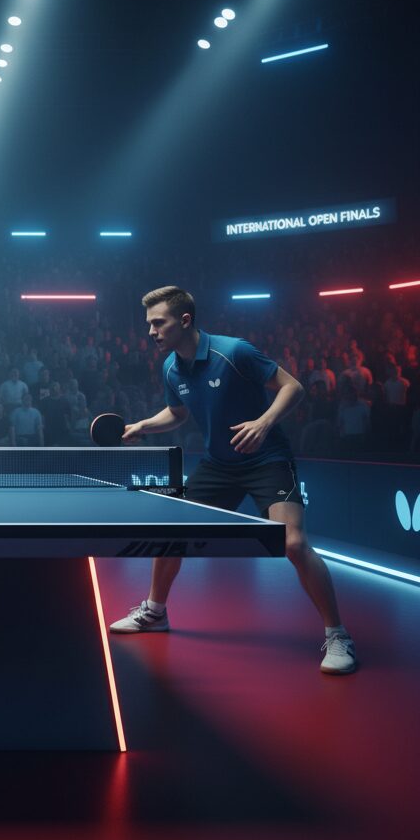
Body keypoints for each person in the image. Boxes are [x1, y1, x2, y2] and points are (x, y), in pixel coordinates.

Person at [109, 286, 356, 675]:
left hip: (266, 459)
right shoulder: (171, 367)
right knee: (170, 530)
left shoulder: (234, 351)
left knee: (291, 542)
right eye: (149, 324)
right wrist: (142, 425)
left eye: (159, 323)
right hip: (219, 464)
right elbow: (177, 414)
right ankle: (155, 613)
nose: (152, 331)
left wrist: (264, 422)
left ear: (185, 320)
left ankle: (338, 635)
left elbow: (293, 386)